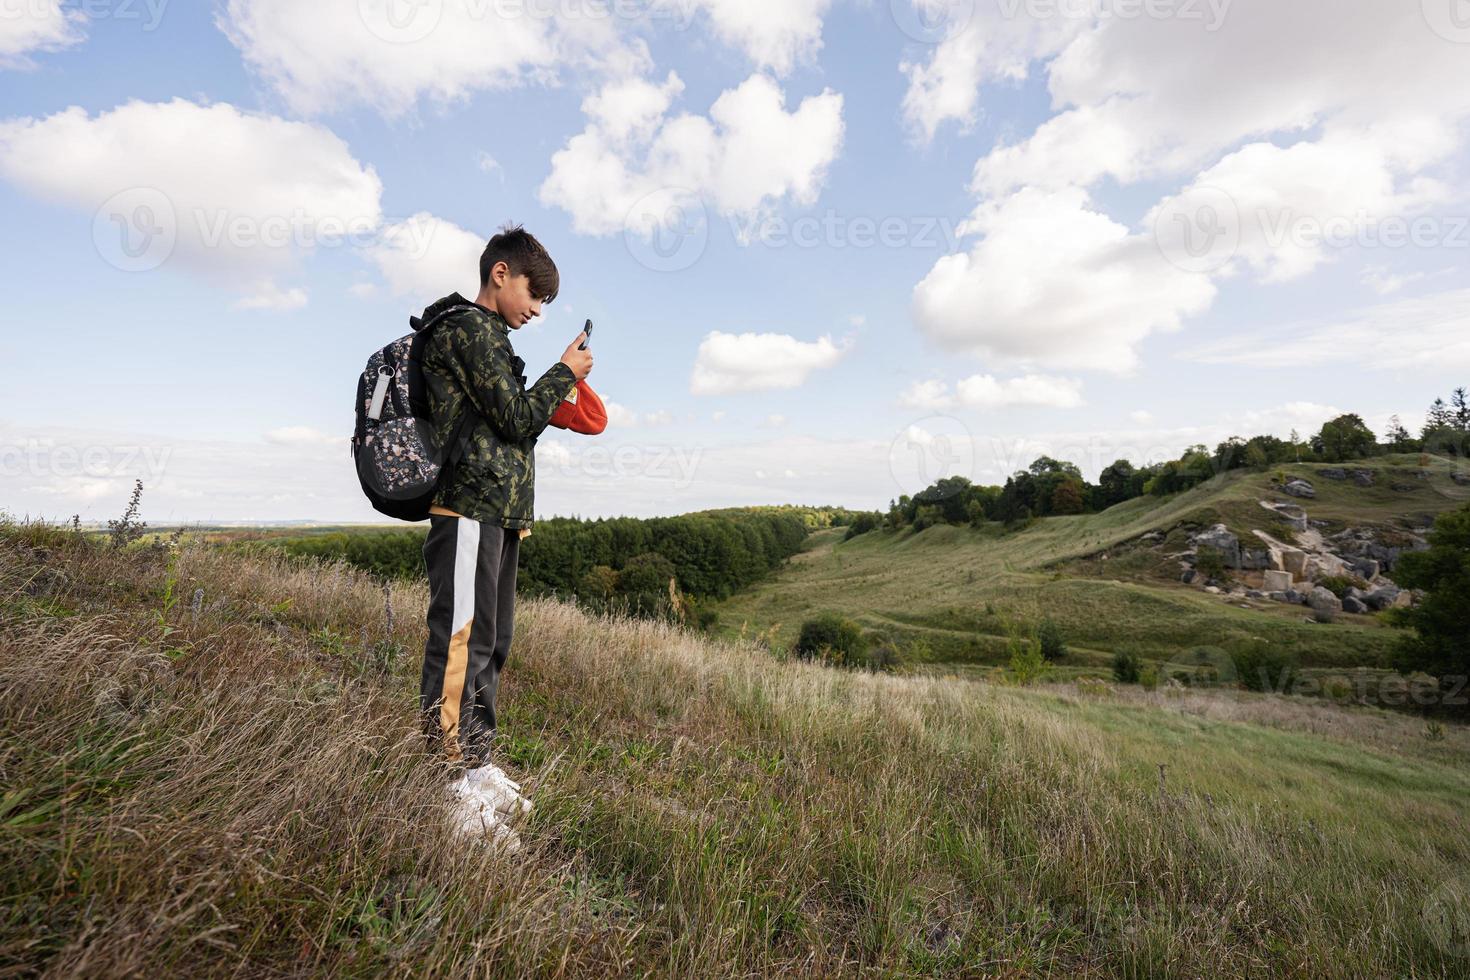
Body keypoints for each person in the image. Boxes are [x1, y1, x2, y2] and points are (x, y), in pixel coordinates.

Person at [415, 225, 594, 850]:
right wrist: (563, 372)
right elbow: (517, 417)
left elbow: (512, 429)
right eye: (533, 295)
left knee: (492, 641)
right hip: (465, 508)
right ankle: (445, 783)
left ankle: (477, 760)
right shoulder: (466, 329)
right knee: (460, 640)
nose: (537, 311)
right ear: (500, 274)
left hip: (500, 511)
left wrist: (559, 386)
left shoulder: (493, 339)